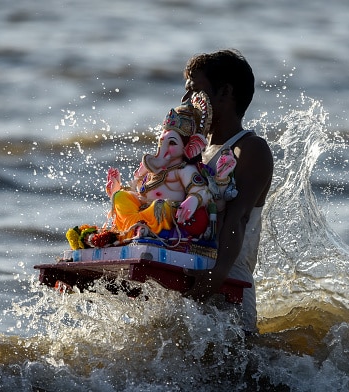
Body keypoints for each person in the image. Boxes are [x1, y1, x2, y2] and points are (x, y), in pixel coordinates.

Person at [181, 49, 274, 333]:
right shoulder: (190, 152)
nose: (186, 102)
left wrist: (215, 277)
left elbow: (238, 217)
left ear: (225, 92)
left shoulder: (249, 149)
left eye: (195, 91)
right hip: (189, 281)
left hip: (229, 286)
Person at [105, 94, 217, 241]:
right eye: (162, 142)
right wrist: (118, 188)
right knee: (120, 197)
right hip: (144, 211)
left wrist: (193, 199)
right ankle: (135, 228)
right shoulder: (153, 167)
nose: (163, 148)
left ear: (191, 146)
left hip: (165, 213)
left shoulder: (184, 170)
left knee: (160, 207)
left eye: (172, 143)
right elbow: (140, 193)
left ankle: (143, 230)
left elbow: (201, 190)